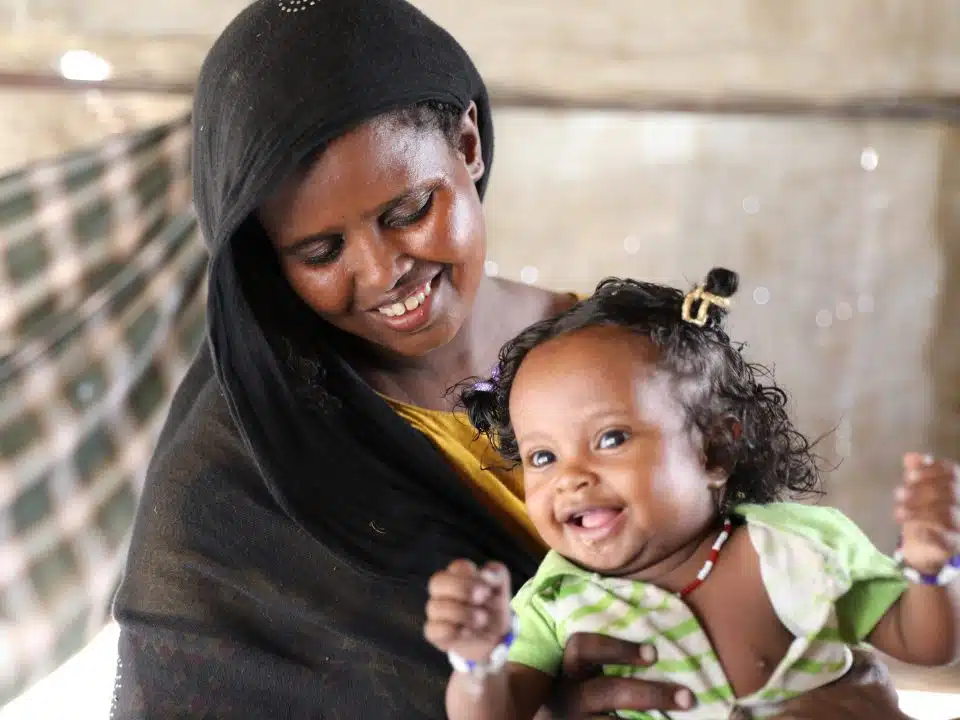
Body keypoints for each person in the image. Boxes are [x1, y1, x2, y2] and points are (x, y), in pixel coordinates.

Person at [110, 0, 934, 717]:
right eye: (321, 250)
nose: (384, 270)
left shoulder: (629, 353)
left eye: (408, 209)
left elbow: (780, 582)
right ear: (266, 260)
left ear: (467, 143)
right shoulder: (243, 481)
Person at [425, 270, 960, 719]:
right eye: (543, 456)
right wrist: (478, 663)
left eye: (610, 439)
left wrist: (931, 569)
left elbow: (927, 645)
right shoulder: (554, 601)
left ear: (714, 452)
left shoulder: (794, 548)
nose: (571, 476)